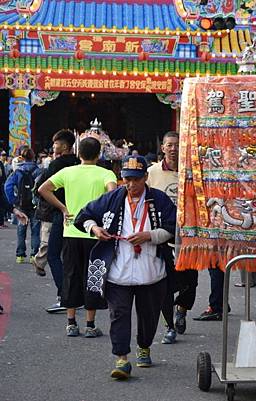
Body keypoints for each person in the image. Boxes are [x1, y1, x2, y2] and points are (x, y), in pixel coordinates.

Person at [73, 155, 176, 380]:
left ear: (145, 178)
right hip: (117, 271)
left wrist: (150, 235)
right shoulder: (111, 198)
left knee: (149, 316)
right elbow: (84, 216)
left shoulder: (159, 199)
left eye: (136, 180)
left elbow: (174, 226)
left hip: (151, 271)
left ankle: (144, 346)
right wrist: (95, 229)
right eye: (127, 179)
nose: (131, 184)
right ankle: (121, 358)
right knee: (118, 314)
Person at [38, 137, 117, 337]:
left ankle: (71, 323)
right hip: (95, 233)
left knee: (71, 275)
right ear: (99, 155)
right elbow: (113, 193)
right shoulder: (106, 173)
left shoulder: (67, 172)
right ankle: (90, 325)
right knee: (93, 276)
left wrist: (64, 208)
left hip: (71, 230)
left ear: (78, 153)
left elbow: (43, 189)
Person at [147, 131, 198, 344]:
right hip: (162, 234)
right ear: (163, 147)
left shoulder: (192, 171)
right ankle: (169, 326)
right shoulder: (151, 172)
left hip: (188, 234)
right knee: (165, 282)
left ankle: (182, 309)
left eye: (177, 145)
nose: (173, 149)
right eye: (169, 145)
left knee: (190, 281)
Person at [37, 129, 80, 313]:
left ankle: (65, 296)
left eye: (56, 144)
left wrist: (60, 207)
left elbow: (41, 188)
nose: (53, 147)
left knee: (54, 254)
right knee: (72, 258)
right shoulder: (79, 163)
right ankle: (76, 296)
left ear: (64, 146)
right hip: (81, 215)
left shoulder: (57, 165)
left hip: (61, 214)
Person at [4, 147, 41, 264]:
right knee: (35, 231)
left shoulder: (18, 172)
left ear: (22, 157)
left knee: (21, 230)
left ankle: (20, 255)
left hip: (21, 205)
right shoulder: (39, 171)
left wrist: (14, 201)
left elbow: (7, 186)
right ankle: (34, 255)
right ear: (33, 157)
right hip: (35, 205)